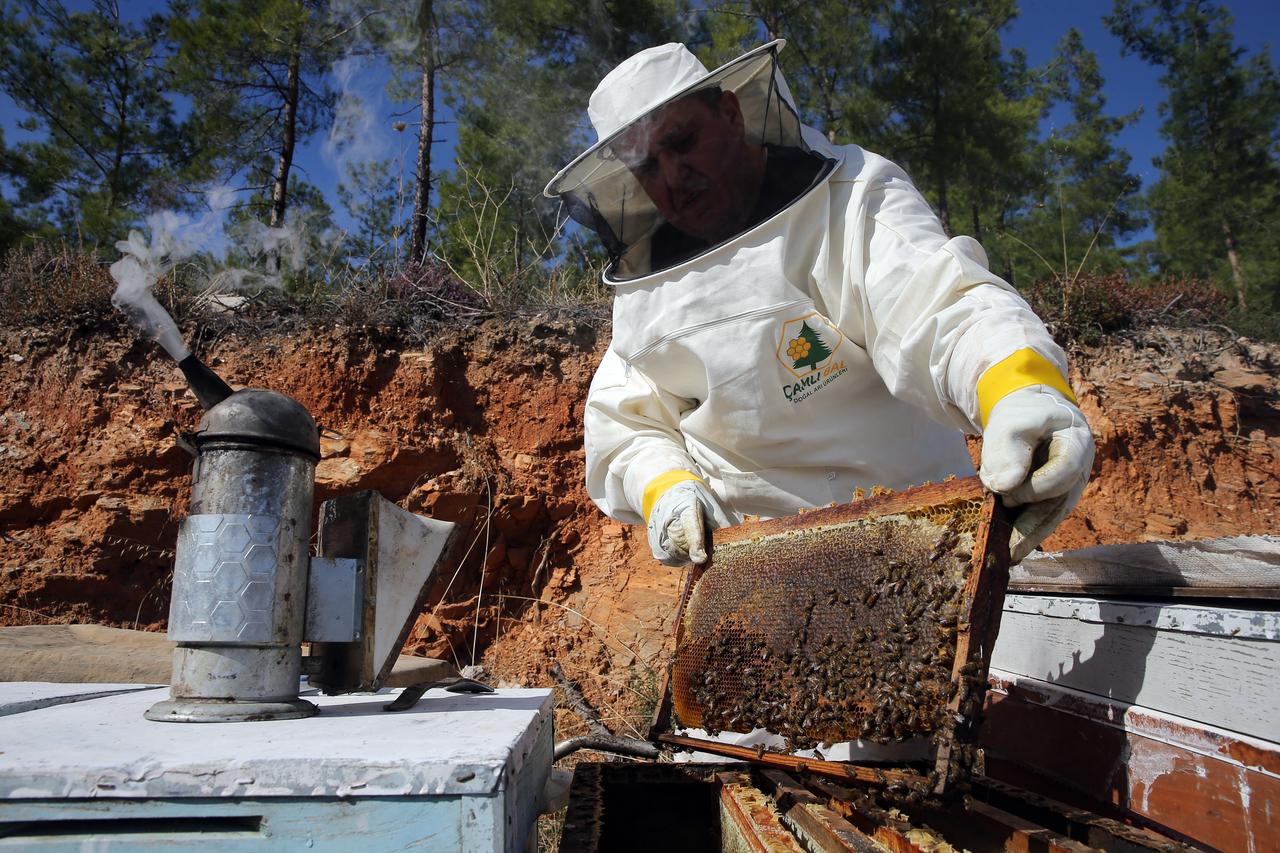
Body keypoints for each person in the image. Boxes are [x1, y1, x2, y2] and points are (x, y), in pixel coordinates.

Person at [544, 40, 1094, 569]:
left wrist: (1017, 388)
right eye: (646, 166)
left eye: (684, 141)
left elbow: (939, 304)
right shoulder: (646, 287)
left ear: (731, 114)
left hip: (925, 537)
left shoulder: (848, 198)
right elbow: (628, 420)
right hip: (757, 573)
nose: (671, 176)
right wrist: (664, 487)